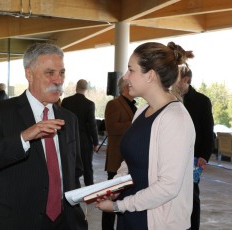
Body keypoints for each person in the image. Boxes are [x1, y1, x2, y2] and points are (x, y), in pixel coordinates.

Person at [0, 43, 87, 230]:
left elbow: (74, 171)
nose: (58, 80)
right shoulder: (1, 112)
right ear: (29, 74)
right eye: (50, 73)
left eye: (62, 72)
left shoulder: (69, 118)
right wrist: (23, 138)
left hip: (65, 222)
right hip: (15, 220)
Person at [96, 41, 195, 230]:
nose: (125, 77)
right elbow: (129, 162)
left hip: (156, 221)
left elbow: (168, 186)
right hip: (132, 215)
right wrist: (116, 187)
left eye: (131, 70)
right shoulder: (141, 112)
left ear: (150, 76)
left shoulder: (175, 118)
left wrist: (119, 206)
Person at [174, 66, 214, 230]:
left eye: (175, 79)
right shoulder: (170, 99)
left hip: (194, 157)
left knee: (191, 195)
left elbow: (207, 131)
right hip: (172, 156)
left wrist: (204, 156)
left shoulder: (202, 101)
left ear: (185, 80)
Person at [102, 76, 136, 230]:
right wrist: (135, 124)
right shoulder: (113, 104)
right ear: (127, 86)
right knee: (110, 200)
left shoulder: (136, 106)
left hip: (131, 161)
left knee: (126, 201)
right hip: (117, 161)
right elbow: (111, 128)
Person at [61, 79, 99, 187]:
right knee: (87, 167)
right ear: (86, 89)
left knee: (71, 166)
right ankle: (89, 191)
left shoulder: (66, 101)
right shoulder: (89, 104)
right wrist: (95, 142)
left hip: (68, 139)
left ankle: (72, 189)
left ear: (76, 87)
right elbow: (92, 125)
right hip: (84, 141)